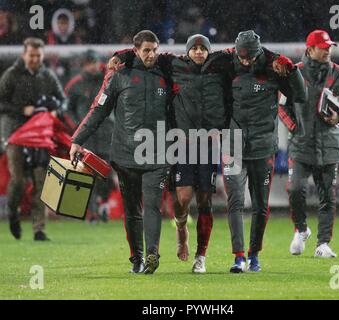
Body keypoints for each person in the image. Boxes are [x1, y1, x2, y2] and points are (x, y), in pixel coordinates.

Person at [110, 34, 232, 273]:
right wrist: (120, 55)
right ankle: (181, 227)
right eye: (194, 48)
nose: (198, 52)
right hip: (181, 142)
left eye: (202, 48)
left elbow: (244, 53)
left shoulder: (220, 64)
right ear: (187, 52)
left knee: (205, 199)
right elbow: (143, 52)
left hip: (208, 142)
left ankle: (201, 256)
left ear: (208, 51)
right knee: (183, 199)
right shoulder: (172, 63)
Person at [70, 30, 171, 274]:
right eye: (146, 50)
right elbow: (98, 110)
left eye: (155, 49)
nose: (152, 54)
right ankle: (136, 258)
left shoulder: (167, 73)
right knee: (132, 209)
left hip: (158, 153)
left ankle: (151, 254)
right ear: (136, 51)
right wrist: (77, 140)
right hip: (126, 154)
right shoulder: (118, 76)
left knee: (152, 206)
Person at [222, 30, 306, 273]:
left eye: (250, 58)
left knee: (260, 205)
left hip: (262, 147)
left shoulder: (275, 66)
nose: (245, 62)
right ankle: (238, 257)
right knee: (235, 201)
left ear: (258, 53)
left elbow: (300, 95)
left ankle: (254, 254)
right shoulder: (226, 63)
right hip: (233, 144)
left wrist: (292, 71)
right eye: (242, 57)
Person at [279, 29, 339, 258]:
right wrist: (295, 128)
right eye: (323, 47)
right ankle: (301, 229)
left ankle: (323, 244)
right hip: (301, 145)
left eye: (329, 47)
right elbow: (281, 105)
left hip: (329, 144)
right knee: (295, 189)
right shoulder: (294, 74)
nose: (328, 51)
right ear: (310, 49)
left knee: (327, 195)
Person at [0, 37, 67, 241]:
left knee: (41, 180)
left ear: (43, 55)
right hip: (15, 132)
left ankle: (39, 229)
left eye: (38, 55)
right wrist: (21, 110)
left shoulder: (48, 76)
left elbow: (63, 100)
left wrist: (57, 110)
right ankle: (13, 212)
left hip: (40, 135)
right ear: (24, 54)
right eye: (32, 55)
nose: (35, 59)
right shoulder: (11, 75)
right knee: (19, 180)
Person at [65, 49, 113, 223]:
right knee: (87, 175)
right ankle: (92, 213)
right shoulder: (75, 85)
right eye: (89, 63)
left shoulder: (108, 81)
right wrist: (77, 127)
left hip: (107, 133)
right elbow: (67, 110)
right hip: (87, 138)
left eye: (94, 62)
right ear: (83, 65)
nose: (92, 66)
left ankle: (104, 205)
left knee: (106, 173)